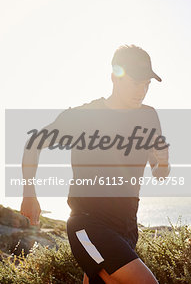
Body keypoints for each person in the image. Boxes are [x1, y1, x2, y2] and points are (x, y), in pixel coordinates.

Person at [20, 45, 170, 283]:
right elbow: (33, 144)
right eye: (136, 83)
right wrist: (29, 193)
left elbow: (160, 173)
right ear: (115, 77)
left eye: (147, 84)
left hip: (128, 228)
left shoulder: (148, 117)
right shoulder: (83, 116)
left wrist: (163, 162)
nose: (142, 91)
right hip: (89, 223)